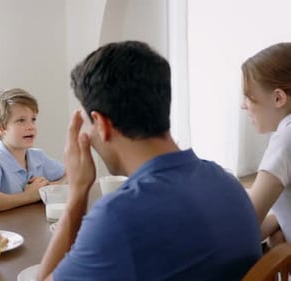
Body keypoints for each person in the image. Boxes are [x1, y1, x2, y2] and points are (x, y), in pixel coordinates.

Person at [37, 41, 262, 281]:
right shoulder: (227, 183)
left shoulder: (116, 216)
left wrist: (77, 193)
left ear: (101, 124)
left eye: (86, 124)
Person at [0, 88, 66, 214]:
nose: (31, 126)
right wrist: (30, 195)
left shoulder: (38, 156)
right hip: (2, 231)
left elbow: (72, 174)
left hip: (29, 225)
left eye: (33, 119)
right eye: (21, 120)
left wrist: (49, 188)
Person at [241, 42, 291, 248]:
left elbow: (246, 220)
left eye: (249, 96)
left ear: (278, 98)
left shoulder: (286, 136)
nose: (243, 105)